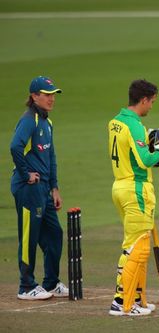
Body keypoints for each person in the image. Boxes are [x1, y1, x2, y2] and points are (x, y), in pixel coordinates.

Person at [107, 79, 159, 316]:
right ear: (143, 100)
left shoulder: (115, 122)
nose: (151, 107)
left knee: (138, 245)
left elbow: (131, 150)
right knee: (135, 248)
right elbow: (145, 159)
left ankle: (136, 298)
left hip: (120, 185)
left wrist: (147, 140)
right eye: (152, 102)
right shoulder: (133, 125)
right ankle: (121, 302)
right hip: (136, 189)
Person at [10, 76, 69, 300]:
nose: (51, 99)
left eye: (53, 94)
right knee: (30, 236)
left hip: (44, 189)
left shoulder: (47, 122)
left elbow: (50, 156)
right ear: (34, 96)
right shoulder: (30, 120)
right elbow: (15, 146)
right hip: (28, 189)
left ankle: (51, 283)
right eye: (46, 95)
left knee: (54, 233)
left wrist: (54, 187)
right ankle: (26, 286)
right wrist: (26, 174)